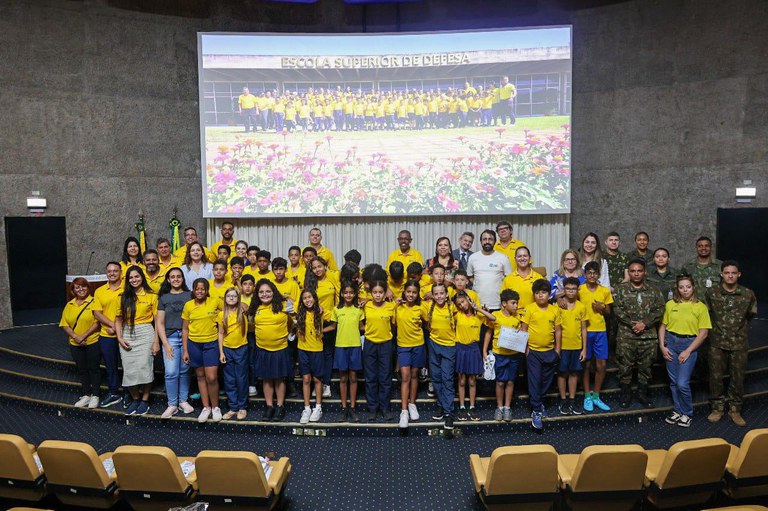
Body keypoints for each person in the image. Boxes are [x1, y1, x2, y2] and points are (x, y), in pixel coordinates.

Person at [705, 260, 757, 426]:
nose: (730, 276)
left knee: (738, 377)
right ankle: (717, 407)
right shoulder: (711, 293)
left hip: (739, 342)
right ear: (721, 274)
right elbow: (706, 314)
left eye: (733, 273)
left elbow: (750, 315)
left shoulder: (747, 294)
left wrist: (737, 330)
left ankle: (735, 409)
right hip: (716, 341)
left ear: (738, 275)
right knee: (715, 376)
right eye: (726, 273)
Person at [659, 275, 711, 427]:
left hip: (688, 344)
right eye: (681, 287)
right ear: (677, 288)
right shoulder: (670, 304)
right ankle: (678, 410)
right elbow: (663, 326)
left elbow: (703, 333)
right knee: (674, 382)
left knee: (682, 383)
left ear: (693, 287)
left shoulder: (700, 307)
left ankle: (687, 413)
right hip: (671, 343)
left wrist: (688, 351)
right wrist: (662, 346)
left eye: (688, 286)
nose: (685, 290)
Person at [613, 258, 665, 409]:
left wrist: (645, 323)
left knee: (646, 367)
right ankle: (625, 394)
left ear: (645, 272)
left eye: (639, 271)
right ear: (628, 273)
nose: (636, 274)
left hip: (648, 337)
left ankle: (643, 394)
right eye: (633, 271)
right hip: (626, 336)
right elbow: (617, 310)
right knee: (625, 367)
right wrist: (632, 324)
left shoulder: (654, 290)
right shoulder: (620, 290)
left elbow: (660, 309)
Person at [115, 266, 159, 416]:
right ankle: (135, 398)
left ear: (142, 277)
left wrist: (156, 342)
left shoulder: (152, 296)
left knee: (144, 367)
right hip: (127, 333)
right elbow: (118, 320)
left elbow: (158, 321)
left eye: (137, 277)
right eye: (131, 278)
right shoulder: (122, 296)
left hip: (146, 332)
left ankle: (145, 400)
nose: (134, 280)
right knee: (130, 369)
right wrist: (119, 337)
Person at [248, 279, 293, 421]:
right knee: (266, 379)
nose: (265, 294)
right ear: (257, 294)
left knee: (279, 379)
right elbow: (250, 324)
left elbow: (293, 322)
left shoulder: (285, 305)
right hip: (262, 349)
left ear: (273, 292)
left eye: (268, 291)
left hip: (280, 348)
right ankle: (269, 406)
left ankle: (279, 406)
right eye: (261, 292)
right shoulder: (254, 308)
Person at [182, 278, 224, 423]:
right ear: (193, 290)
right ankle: (206, 407)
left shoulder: (215, 302)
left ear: (207, 290)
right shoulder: (188, 305)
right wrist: (185, 351)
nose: (200, 291)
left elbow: (230, 308)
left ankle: (215, 407)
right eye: (197, 289)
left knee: (211, 377)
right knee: (200, 376)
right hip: (194, 345)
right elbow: (185, 329)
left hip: (211, 343)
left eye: (203, 289)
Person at [521, 279, 562, 430]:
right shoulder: (529, 309)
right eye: (537, 293)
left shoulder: (554, 310)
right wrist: (525, 349)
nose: (540, 296)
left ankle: (540, 401)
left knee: (546, 380)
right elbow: (524, 329)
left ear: (548, 294)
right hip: (533, 352)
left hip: (550, 351)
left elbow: (558, 331)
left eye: (543, 293)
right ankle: (536, 410)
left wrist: (558, 350)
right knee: (534, 380)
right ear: (534, 295)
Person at [156, 268, 194, 419]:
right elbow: (159, 322)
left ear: (183, 279)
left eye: (179, 276)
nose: (176, 279)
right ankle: (172, 404)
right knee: (171, 372)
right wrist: (165, 343)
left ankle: (183, 401)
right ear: (168, 280)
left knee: (185, 371)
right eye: (173, 277)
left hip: (187, 336)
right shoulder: (164, 298)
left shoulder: (189, 295)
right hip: (170, 337)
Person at [59, 277, 101, 408]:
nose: (81, 289)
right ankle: (86, 394)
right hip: (75, 343)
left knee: (94, 369)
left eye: (83, 286)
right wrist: (76, 337)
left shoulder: (94, 302)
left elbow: (97, 322)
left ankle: (95, 395)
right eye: (77, 287)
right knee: (82, 369)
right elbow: (64, 324)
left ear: (88, 288)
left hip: (92, 341)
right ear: (73, 290)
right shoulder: (69, 304)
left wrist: (84, 336)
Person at [454, 291, 495, 421]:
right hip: (460, 348)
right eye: (459, 304)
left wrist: (477, 308)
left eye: (463, 301)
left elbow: (493, 319)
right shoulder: (457, 315)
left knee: (472, 380)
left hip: (473, 349)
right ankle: (461, 407)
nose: (462, 305)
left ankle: (472, 407)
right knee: (461, 380)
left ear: (469, 300)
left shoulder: (478, 317)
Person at [579, 261, 614, 412]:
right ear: (585, 275)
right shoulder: (579, 290)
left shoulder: (604, 291)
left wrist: (601, 308)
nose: (592, 275)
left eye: (595, 273)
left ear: (599, 275)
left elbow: (609, 312)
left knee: (601, 365)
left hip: (600, 331)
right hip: (585, 331)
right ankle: (587, 395)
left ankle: (596, 396)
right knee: (586, 364)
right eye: (589, 273)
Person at [483, 289, 522, 422]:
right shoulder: (496, 315)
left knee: (510, 381)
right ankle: (499, 407)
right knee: (500, 382)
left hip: (514, 354)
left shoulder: (518, 317)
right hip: (499, 354)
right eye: (513, 303)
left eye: (517, 303)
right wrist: (484, 350)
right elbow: (489, 333)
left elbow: (522, 332)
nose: (516, 306)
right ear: (504, 304)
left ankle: (507, 407)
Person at [422, 283, 457, 430]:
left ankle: (449, 413)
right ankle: (441, 405)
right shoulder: (428, 307)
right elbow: (411, 301)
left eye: (442, 293)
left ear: (447, 294)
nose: (439, 296)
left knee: (447, 378)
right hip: (434, 345)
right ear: (432, 295)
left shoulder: (452, 307)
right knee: (436, 378)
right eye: (436, 294)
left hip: (449, 346)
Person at [305, 257, 340, 397]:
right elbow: (305, 300)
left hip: (330, 322)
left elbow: (338, 299)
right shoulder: (310, 283)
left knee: (327, 353)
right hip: (314, 322)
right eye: (314, 268)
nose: (317, 270)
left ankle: (326, 384)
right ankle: (317, 383)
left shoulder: (333, 279)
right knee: (316, 354)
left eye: (319, 266)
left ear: (325, 266)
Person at [91, 262, 124, 408]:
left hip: (126, 333)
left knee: (128, 365)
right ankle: (113, 392)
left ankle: (129, 393)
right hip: (107, 334)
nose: (112, 273)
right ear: (106, 273)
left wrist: (118, 329)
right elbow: (96, 312)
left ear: (120, 272)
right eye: (109, 271)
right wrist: (112, 325)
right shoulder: (99, 291)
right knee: (111, 365)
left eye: (115, 271)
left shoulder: (128, 287)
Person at [362, 281, 396, 421]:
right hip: (370, 344)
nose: (377, 295)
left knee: (385, 377)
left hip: (386, 345)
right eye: (375, 292)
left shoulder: (391, 307)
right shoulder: (366, 305)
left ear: (384, 293)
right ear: (371, 294)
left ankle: (385, 408)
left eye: (380, 292)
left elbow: (393, 326)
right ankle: (372, 408)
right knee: (370, 377)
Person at [331, 281, 364, 422]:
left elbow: (362, 327)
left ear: (355, 294)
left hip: (355, 346)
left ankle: (352, 407)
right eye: (346, 292)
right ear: (342, 294)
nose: (348, 295)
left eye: (351, 292)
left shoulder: (359, 310)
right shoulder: (336, 310)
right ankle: (344, 407)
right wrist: (318, 331)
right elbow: (333, 327)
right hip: (341, 346)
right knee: (343, 378)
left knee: (353, 377)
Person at [394, 280, 426, 428]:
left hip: (418, 345)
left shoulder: (421, 308)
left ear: (417, 293)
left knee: (414, 375)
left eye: (414, 292)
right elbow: (390, 321)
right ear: (404, 292)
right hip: (403, 346)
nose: (411, 295)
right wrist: (395, 304)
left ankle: (412, 404)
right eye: (408, 292)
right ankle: (404, 410)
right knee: (405, 376)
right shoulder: (398, 307)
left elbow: (428, 322)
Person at [556, 277, 587, 415]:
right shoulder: (559, 306)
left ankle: (572, 399)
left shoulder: (581, 307)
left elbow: (584, 329)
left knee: (574, 373)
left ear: (577, 289)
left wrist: (584, 349)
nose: (571, 291)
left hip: (576, 346)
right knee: (562, 373)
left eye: (573, 289)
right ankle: (563, 400)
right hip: (562, 347)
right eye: (568, 289)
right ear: (564, 290)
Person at [219, 287, 249, 421]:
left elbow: (247, 305)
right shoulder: (221, 314)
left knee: (241, 378)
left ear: (238, 298)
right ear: (225, 299)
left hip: (241, 348)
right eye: (228, 296)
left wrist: (241, 302)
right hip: (227, 349)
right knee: (229, 380)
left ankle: (242, 407)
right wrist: (221, 352)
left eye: (234, 296)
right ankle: (233, 407)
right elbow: (220, 333)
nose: (231, 298)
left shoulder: (242, 311)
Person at [297, 289, 325, 424]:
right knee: (306, 379)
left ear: (314, 298)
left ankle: (318, 407)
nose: (308, 300)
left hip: (317, 349)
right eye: (305, 298)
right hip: (302, 349)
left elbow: (335, 321)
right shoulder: (300, 313)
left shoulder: (321, 312)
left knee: (317, 379)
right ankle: (307, 408)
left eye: (310, 297)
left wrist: (322, 331)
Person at [467, 229, 512, 311]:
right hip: (477, 304)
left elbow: (509, 279)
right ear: (481, 241)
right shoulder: (473, 257)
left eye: (490, 239)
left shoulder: (503, 258)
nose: (487, 241)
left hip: (497, 304)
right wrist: (479, 284)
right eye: (484, 239)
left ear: (495, 241)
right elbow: (470, 276)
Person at [501, 246, 544, 317]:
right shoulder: (508, 279)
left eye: (525, 256)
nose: (522, 258)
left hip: (534, 318)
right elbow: (503, 303)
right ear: (515, 259)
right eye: (519, 256)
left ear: (530, 258)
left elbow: (543, 300)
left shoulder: (538, 278)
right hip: (514, 318)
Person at [681, 236, 722, 300]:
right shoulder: (687, 266)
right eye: (700, 246)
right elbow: (681, 286)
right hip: (693, 305)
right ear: (696, 248)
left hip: (714, 305)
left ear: (711, 248)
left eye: (707, 246)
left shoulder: (720, 265)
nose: (703, 248)